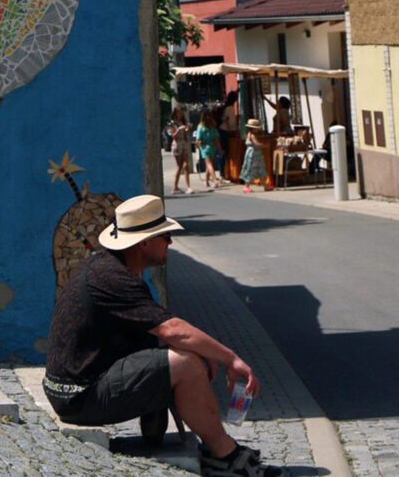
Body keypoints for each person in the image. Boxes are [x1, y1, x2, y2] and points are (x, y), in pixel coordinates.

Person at [43, 195, 281, 477]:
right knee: (186, 364)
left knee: (185, 356)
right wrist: (230, 359)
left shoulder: (111, 268)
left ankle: (213, 449)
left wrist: (202, 351)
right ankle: (227, 456)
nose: (170, 243)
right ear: (145, 242)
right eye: (165, 236)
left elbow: (155, 331)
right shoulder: (112, 277)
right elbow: (172, 329)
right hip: (79, 398)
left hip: (79, 387)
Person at [239, 118, 272, 193]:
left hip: (253, 154)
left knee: (259, 169)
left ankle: (265, 186)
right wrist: (265, 146)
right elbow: (256, 144)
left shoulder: (248, 134)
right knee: (251, 169)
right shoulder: (252, 135)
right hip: (254, 154)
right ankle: (246, 186)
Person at [168, 107, 194, 195]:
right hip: (177, 144)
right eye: (179, 113)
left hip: (184, 144)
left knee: (186, 165)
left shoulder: (183, 122)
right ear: (175, 113)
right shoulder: (172, 123)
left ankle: (188, 187)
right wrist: (179, 129)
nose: (180, 114)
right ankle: (175, 186)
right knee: (179, 166)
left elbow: (187, 133)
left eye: (181, 113)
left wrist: (187, 129)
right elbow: (173, 136)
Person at [195, 110, 223, 189]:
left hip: (204, 148)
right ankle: (206, 181)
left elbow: (198, 139)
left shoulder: (201, 127)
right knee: (209, 163)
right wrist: (220, 149)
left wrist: (197, 145)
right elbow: (216, 139)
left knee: (209, 164)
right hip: (212, 147)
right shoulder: (212, 126)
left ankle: (214, 180)